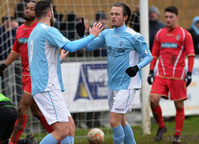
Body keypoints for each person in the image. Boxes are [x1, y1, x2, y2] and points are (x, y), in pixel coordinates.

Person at [76, 2, 152, 144]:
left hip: (128, 84)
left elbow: (148, 56)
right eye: (111, 14)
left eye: (117, 14)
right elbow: (90, 47)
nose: (113, 17)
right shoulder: (106, 33)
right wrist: (82, 35)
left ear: (125, 17)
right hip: (112, 84)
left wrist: (136, 67)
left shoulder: (134, 36)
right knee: (121, 120)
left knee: (113, 121)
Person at [28, 1, 103, 144]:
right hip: (47, 86)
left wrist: (58, 59)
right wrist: (91, 35)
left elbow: (40, 60)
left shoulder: (34, 32)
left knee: (70, 126)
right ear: (50, 13)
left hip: (44, 86)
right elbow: (71, 46)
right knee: (62, 130)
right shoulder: (48, 30)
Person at [0, 1, 62, 144]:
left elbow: (55, 42)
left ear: (37, 13)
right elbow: (16, 50)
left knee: (22, 107)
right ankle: (59, 136)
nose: (28, 11)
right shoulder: (20, 30)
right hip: (25, 75)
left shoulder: (40, 29)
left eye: (32, 9)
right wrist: (4, 65)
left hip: (35, 75)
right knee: (36, 112)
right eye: (27, 8)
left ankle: (11, 142)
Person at [148, 6, 195, 143]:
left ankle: (177, 135)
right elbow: (155, 53)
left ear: (177, 17)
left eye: (171, 17)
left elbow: (191, 55)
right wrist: (151, 71)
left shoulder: (185, 34)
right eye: (166, 17)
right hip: (161, 75)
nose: (168, 19)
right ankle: (162, 127)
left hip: (178, 76)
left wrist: (190, 73)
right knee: (153, 100)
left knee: (179, 106)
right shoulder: (159, 33)